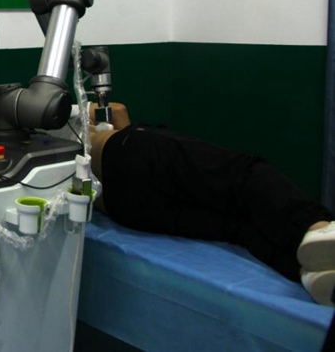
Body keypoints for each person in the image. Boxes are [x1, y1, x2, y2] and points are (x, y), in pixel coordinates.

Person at [87, 102, 335, 307]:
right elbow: (117, 110)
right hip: (126, 152)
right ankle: (317, 228)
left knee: (237, 228)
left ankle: (311, 273)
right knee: (245, 176)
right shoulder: (65, 103)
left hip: (122, 206)